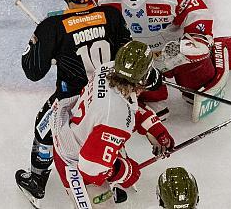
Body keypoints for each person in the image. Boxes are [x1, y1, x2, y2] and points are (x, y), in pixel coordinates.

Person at [16, 0, 134, 207]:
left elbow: (33, 71)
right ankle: (115, 180)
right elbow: (127, 52)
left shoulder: (52, 26)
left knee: (43, 125)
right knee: (109, 129)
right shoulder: (111, 15)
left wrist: (43, 44)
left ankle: (36, 180)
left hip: (74, 100)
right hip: (112, 94)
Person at [99, 0, 231, 121]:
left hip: (172, 51)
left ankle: (196, 86)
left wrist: (199, 36)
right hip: (139, 57)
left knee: (194, 52)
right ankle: (152, 98)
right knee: (127, 69)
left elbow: (194, 8)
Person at [50, 40, 175, 208]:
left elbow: (127, 104)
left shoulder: (107, 67)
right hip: (74, 160)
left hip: (80, 129)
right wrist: (124, 171)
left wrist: (153, 127)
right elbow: (90, 168)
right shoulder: (116, 117)